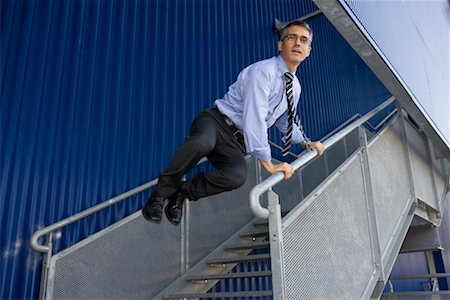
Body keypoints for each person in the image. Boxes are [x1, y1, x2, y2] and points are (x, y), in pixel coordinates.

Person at [142, 19, 324, 226]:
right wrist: (269, 164)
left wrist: (306, 142)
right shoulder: (263, 72)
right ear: (280, 45)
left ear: (309, 50)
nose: (297, 44)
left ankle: (182, 193)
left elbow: (285, 120)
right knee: (202, 143)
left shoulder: (296, 87)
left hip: (236, 141)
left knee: (236, 176)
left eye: (303, 40)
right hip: (216, 122)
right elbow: (254, 117)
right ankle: (160, 194)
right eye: (291, 38)